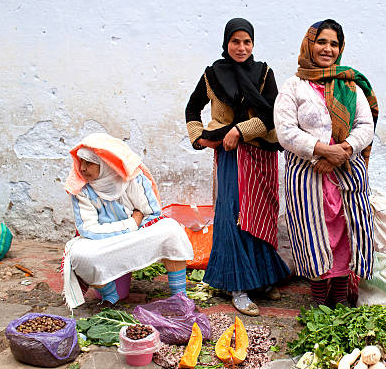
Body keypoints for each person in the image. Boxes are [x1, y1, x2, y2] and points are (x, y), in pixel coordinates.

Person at [184, 18, 290, 316]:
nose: (241, 47)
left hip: (260, 153)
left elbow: (274, 115)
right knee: (233, 215)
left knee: (261, 215)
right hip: (230, 156)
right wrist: (199, 137)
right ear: (226, 43)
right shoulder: (212, 75)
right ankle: (238, 286)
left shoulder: (264, 73)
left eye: (247, 41)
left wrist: (241, 130)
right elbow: (193, 108)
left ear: (253, 44)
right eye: (235, 41)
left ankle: (262, 277)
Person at [274, 19, 378, 307]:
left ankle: (341, 299)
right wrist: (321, 150)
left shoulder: (350, 85)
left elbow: (365, 126)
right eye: (321, 42)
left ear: (340, 48)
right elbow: (285, 132)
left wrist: (341, 152)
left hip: (346, 174)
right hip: (307, 176)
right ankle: (320, 302)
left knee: (347, 233)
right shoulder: (294, 86)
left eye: (333, 44)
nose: (327, 49)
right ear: (309, 44)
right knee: (313, 234)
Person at [62, 132, 194, 309]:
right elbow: (89, 229)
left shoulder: (132, 179)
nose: (83, 168)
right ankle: (110, 295)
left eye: (89, 163)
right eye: (81, 163)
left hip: (136, 235)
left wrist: (134, 228)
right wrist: (130, 224)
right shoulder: (82, 190)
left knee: (172, 230)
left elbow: (151, 214)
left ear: (106, 164)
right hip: (105, 240)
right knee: (79, 255)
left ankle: (179, 298)